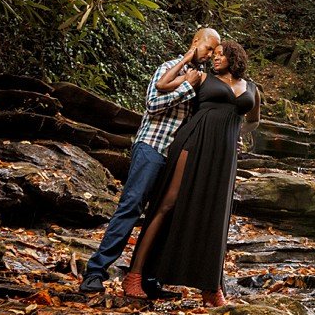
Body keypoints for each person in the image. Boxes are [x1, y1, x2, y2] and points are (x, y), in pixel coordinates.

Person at [79, 27, 220, 295]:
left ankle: (149, 279)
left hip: (177, 157)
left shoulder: (203, 79)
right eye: (209, 48)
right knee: (131, 206)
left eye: (215, 51)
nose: (211, 54)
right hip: (152, 147)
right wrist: (186, 87)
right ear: (195, 43)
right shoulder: (169, 68)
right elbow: (153, 104)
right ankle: (95, 272)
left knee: (164, 215)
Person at [121, 38, 260, 308]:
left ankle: (211, 288)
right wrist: (185, 61)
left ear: (235, 58)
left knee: (216, 212)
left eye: (221, 54)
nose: (215, 58)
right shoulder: (201, 77)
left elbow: (253, 121)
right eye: (214, 54)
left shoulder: (252, 88)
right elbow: (162, 85)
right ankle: (135, 275)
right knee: (169, 203)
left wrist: (238, 135)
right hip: (194, 141)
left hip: (224, 154)